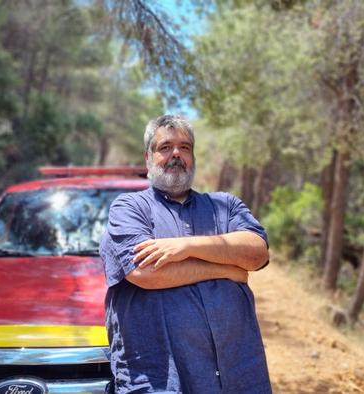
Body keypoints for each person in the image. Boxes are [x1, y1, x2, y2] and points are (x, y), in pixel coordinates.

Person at [100, 114, 272, 394]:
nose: (176, 154)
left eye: (185, 147)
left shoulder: (225, 205)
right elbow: (145, 272)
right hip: (161, 378)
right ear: (148, 157)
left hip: (237, 373)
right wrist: (225, 268)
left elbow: (256, 253)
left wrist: (185, 247)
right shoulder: (130, 208)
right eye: (165, 147)